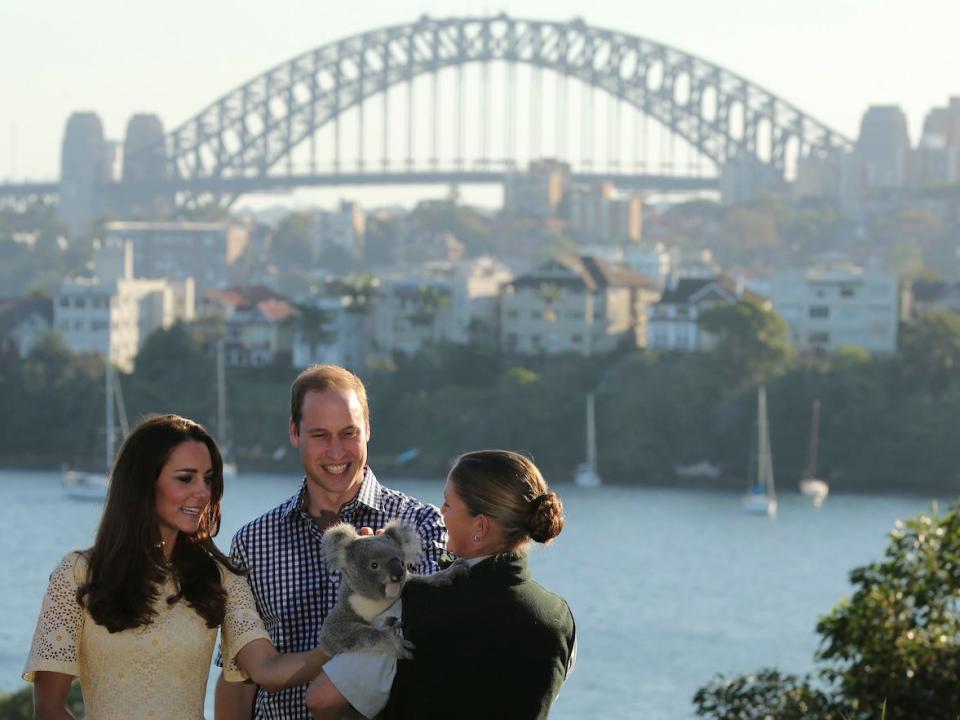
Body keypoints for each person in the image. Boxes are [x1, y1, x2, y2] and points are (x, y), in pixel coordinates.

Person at [24, 414, 329, 720]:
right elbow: (49, 709)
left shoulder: (220, 579)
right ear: (144, 482)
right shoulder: (76, 574)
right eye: (186, 478)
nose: (203, 492)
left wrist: (349, 638)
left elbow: (269, 670)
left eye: (208, 478)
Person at [214, 364, 447, 720]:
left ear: (368, 428)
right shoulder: (252, 542)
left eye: (349, 433)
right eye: (320, 435)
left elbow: (433, 644)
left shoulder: (420, 525)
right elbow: (238, 681)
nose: (336, 452)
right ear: (295, 432)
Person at [306, 449, 577, 720]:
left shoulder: (415, 607)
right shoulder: (561, 620)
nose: (441, 511)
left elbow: (322, 699)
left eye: (448, 504)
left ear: (480, 527)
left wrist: (371, 582)